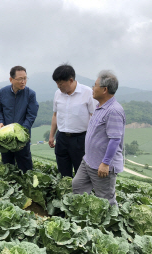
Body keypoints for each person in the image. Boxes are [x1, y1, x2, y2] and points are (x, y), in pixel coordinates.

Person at [72, 70, 125, 206]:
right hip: (89, 161)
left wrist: (106, 163)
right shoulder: (99, 106)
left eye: (95, 85)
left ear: (104, 89)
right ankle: (82, 221)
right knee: (78, 187)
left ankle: (111, 226)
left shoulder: (114, 111)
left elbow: (115, 140)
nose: (92, 89)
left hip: (102, 166)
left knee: (105, 200)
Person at [49, 64, 95, 177]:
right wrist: (52, 135)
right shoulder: (57, 94)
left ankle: (81, 194)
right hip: (62, 138)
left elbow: (94, 117)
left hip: (80, 139)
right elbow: (55, 115)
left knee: (82, 174)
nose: (58, 86)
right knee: (63, 173)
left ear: (70, 80)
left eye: (60, 83)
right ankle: (65, 193)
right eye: (56, 83)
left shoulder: (88, 92)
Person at [0, 66, 39, 172]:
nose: (23, 81)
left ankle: (26, 186)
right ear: (11, 79)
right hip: (6, 136)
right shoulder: (3, 92)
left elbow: (31, 116)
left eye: (25, 78)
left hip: (22, 137)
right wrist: (1, 121)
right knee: (7, 164)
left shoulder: (30, 94)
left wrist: (20, 131)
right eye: (20, 79)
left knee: (25, 164)